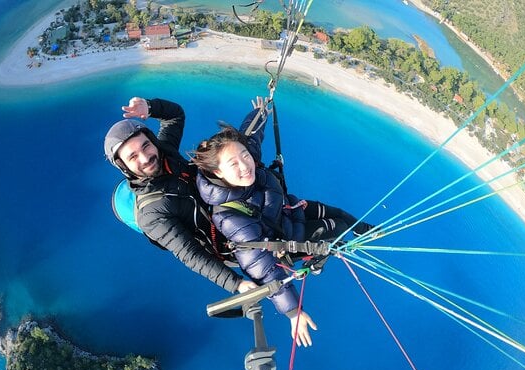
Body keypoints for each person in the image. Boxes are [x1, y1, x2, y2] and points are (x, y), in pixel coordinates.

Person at [192, 98, 374, 347]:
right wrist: (292, 311)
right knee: (336, 228)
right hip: (285, 242)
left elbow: (253, 136)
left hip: (289, 210)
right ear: (217, 173)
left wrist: (260, 112)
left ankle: (367, 231)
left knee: (338, 213)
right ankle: (317, 260)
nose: (245, 165)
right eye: (233, 164)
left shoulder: (249, 160)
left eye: (244, 156)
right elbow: (260, 265)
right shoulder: (229, 216)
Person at [104, 97, 257, 294]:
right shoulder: (151, 215)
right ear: (123, 167)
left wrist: (150, 107)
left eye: (145, 146)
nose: (145, 157)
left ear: (152, 140)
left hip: (233, 201)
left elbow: (175, 116)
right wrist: (236, 283)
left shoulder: (165, 152)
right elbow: (190, 253)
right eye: (132, 157)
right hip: (232, 240)